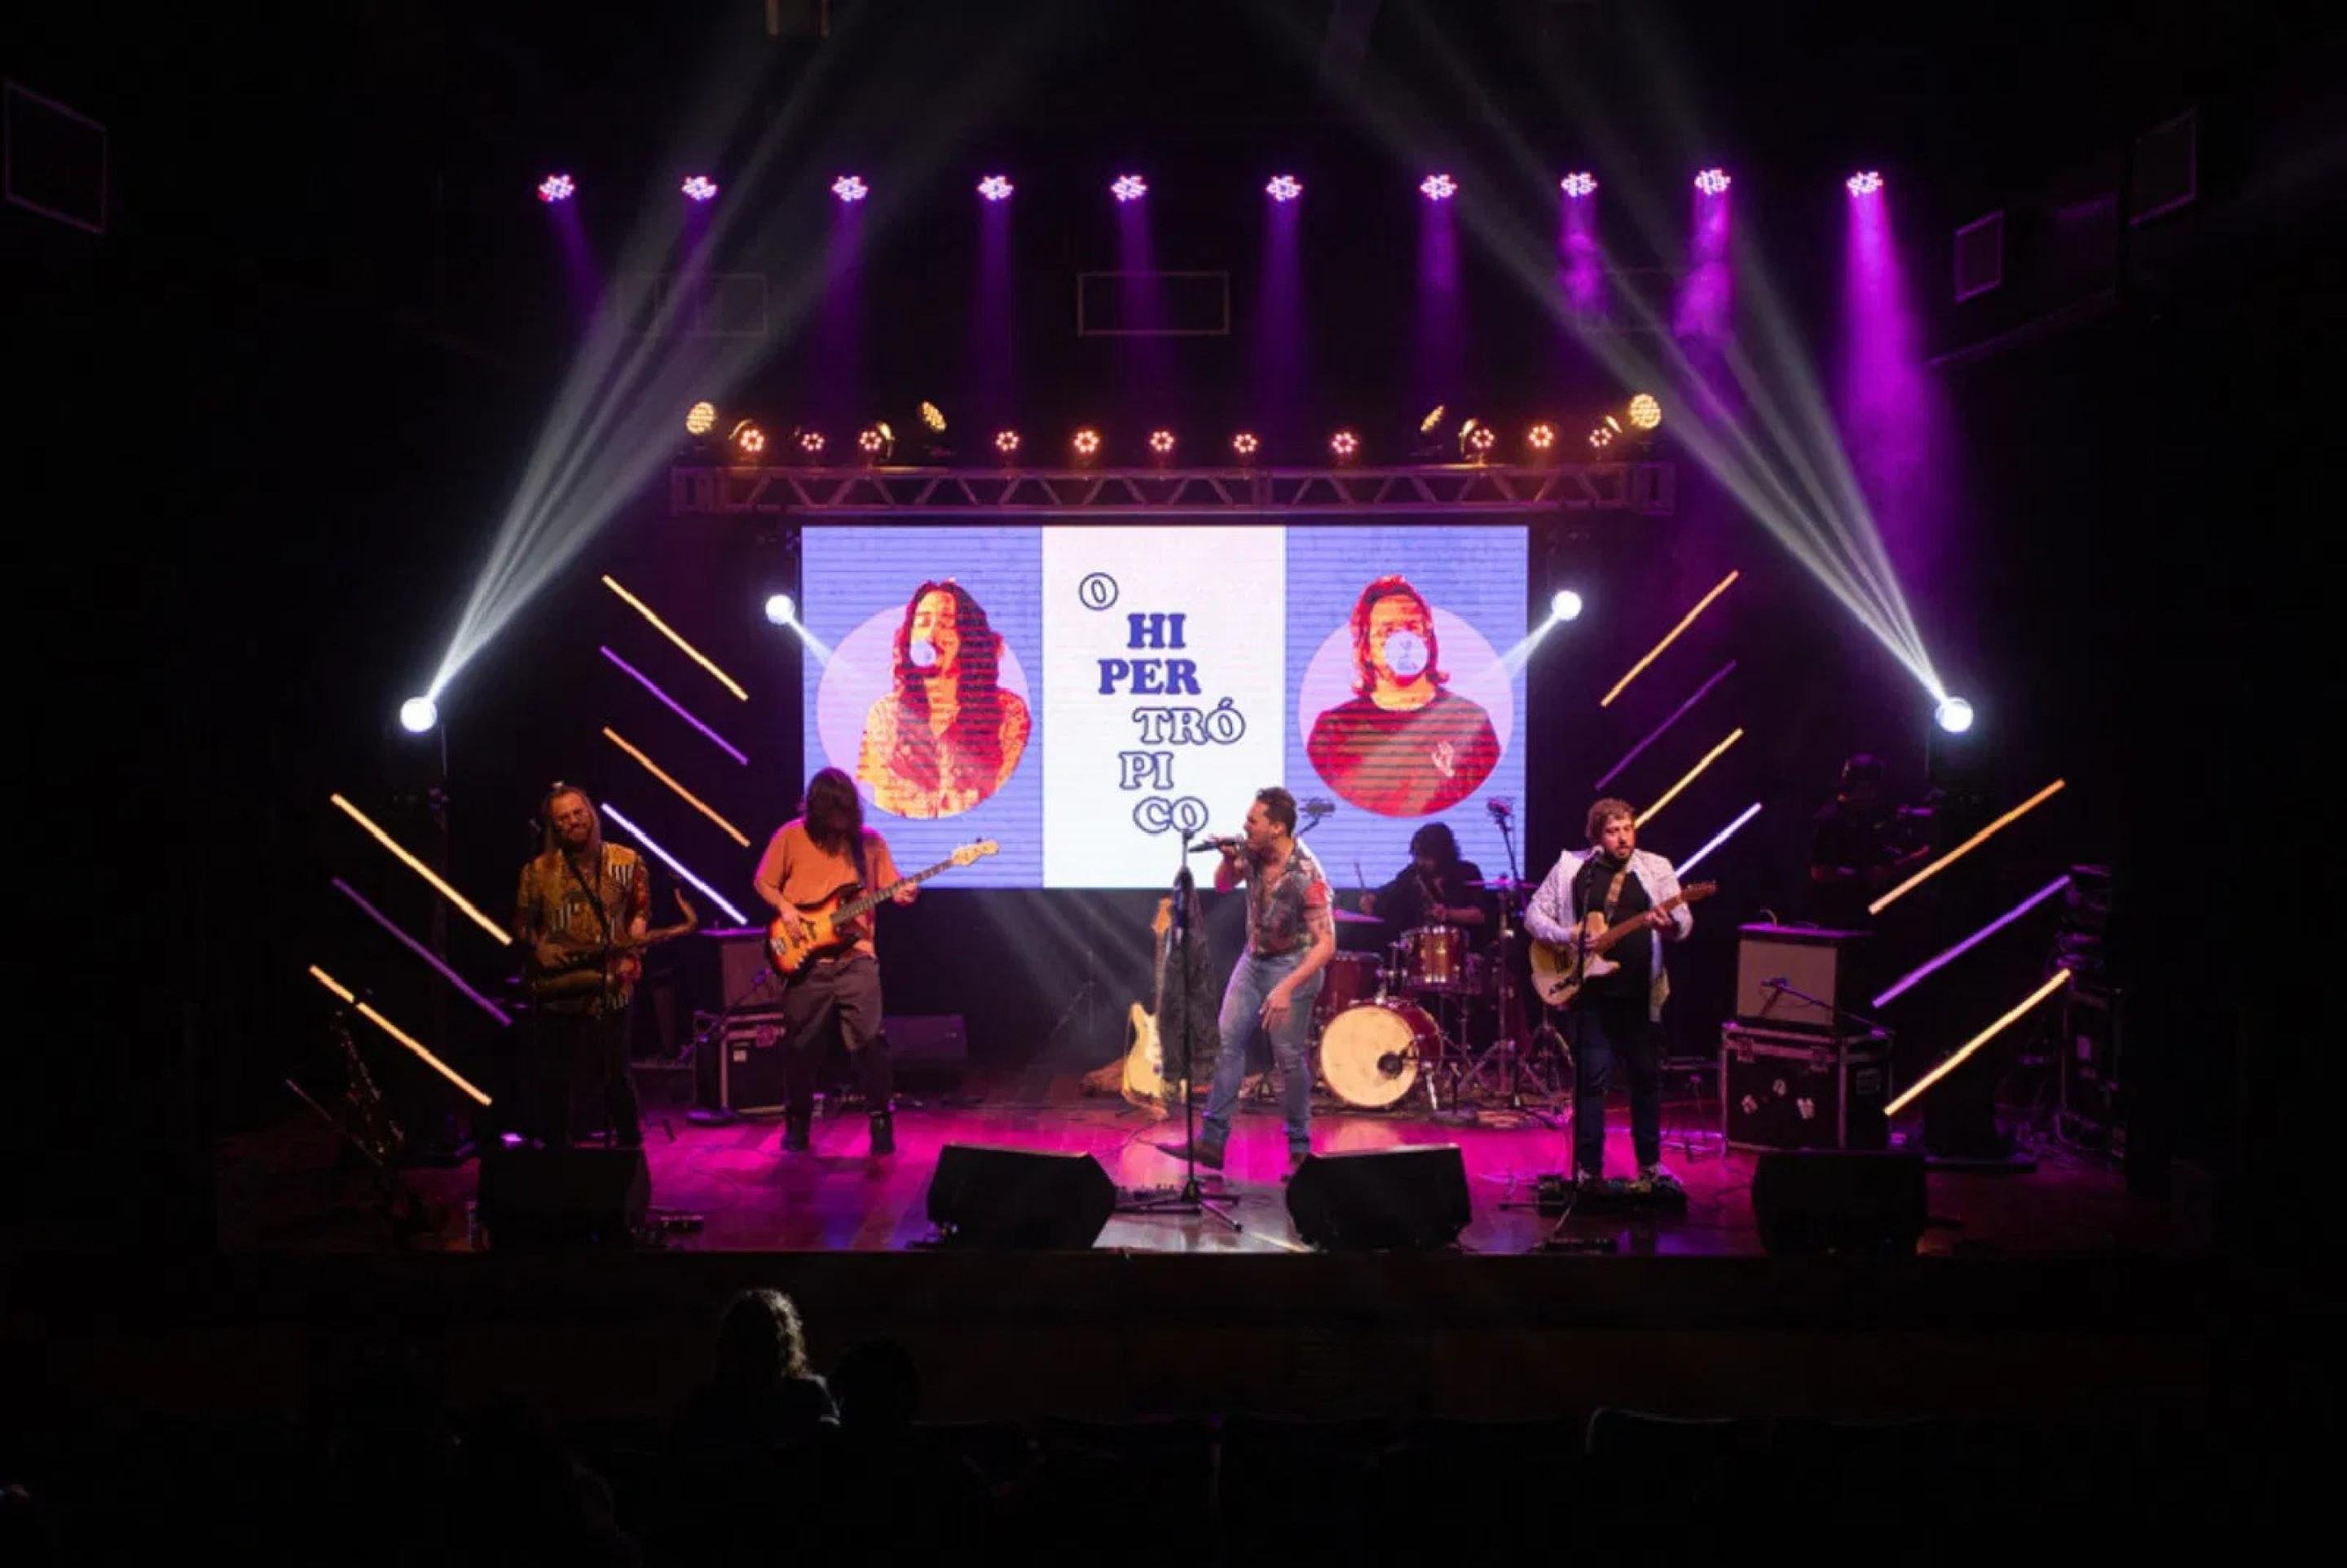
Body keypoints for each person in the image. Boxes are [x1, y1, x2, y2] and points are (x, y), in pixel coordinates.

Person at [1157, 787, 1337, 1172]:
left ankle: (1300, 1149)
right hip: (1253, 961)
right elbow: (1223, 885)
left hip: (1294, 966)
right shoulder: (1253, 854)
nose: (1245, 826)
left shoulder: (1306, 874)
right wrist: (1227, 861)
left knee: (1289, 1059)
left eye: (1253, 820)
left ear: (1277, 828)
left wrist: (1286, 988)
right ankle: (1212, 1142)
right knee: (1226, 1045)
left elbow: (1326, 945)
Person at [1523, 798, 1693, 1191]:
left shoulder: (1656, 868)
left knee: (1645, 1080)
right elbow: (1534, 915)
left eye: (1628, 829)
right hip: (1591, 996)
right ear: (1597, 836)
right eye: (1613, 831)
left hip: (1640, 995)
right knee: (1591, 1082)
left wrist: (1668, 925)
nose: (1623, 838)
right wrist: (1567, 934)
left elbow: (1684, 922)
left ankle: (1649, 1167)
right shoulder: (1573, 869)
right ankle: (1589, 1172)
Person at [513, 785, 697, 1148]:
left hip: (611, 980)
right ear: (553, 826)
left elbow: (640, 910)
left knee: (615, 1072)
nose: (573, 821)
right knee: (557, 1076)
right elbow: (521, 925)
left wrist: (634, 946)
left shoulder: (627, 861)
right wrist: (539, 947)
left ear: (591, 813)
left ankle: (629, 1152)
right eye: (563, 818)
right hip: (558, 986)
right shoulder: (536, 872)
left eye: (577, 812)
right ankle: (558, 1153)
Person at [753, 768, 915, 1155]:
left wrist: (905, 892)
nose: (842, 822)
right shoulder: (790, 836)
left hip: (857, 957)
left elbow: (893, 887)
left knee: (869, 1040)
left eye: (847, 812)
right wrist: (786, 908)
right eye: (835, 813)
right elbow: (763, 882)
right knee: (801, 1045)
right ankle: (797, 1122)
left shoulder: (869, 842)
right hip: (807, 959)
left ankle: (880, 1119)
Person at [1306, 575, 1501, 817]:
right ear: (1366, 649)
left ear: (1429, 639)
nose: (1403, 642)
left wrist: (1449, 775)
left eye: (1412, 628)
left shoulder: (1472, 721)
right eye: (1387, 631)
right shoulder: (1333, 730)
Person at [856, 579, 1030, 819]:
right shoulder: (885, 715)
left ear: (968, 639)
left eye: (946, 624)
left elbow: (1004, 803)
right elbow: (884, 806)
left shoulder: (1008, 712)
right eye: (922, 623)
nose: (930, 635)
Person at [1808, 752, 1931, 928]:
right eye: (1874, 788)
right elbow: (1820, 872)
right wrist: (1866, 876)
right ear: (1865, 787)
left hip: (1860, 917)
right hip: (1835, 920)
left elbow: (1877, 859)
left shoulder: (1861, 820)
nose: (1876, 795)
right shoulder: (1830, 820)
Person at [1359, 821, 1491, 940]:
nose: (1420, 862)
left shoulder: (1468, 872)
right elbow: (1390, 890)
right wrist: (1372, 898)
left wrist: (1448, 914)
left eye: (1426, 857)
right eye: (1418, 856)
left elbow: (1479, 915)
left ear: (1442, 855)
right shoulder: (1414, 873)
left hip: (1462, 946)